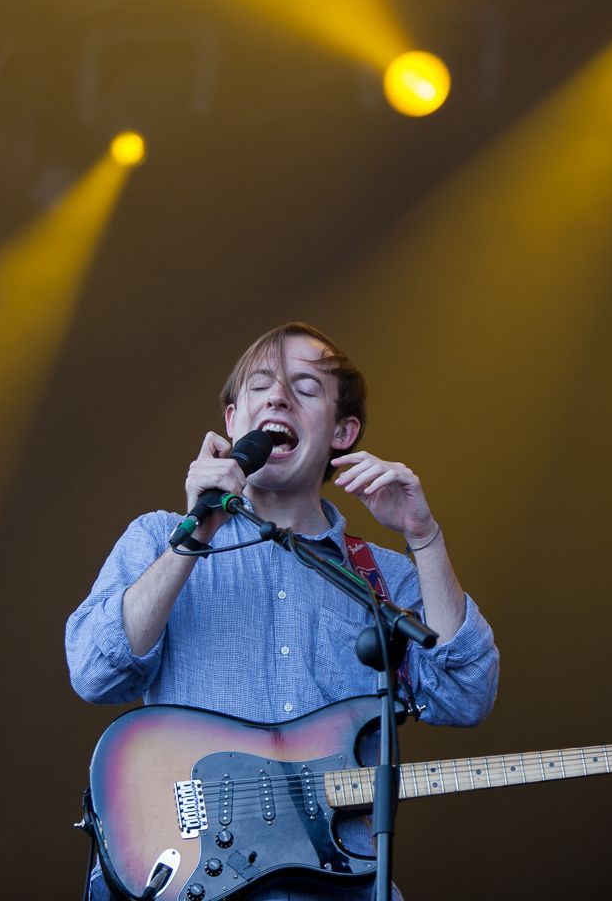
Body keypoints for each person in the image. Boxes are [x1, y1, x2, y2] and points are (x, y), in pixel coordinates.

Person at [66, 322, 499, 900]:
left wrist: (424, 536)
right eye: (260, 385)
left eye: (305, 387)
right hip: (192, 879)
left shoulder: (383, 575)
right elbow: (96, 673)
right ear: (231, 422)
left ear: (343, 432)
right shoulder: (157, 540)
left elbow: (466, 695)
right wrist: (195, 536)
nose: (278, 398)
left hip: (343, 885)